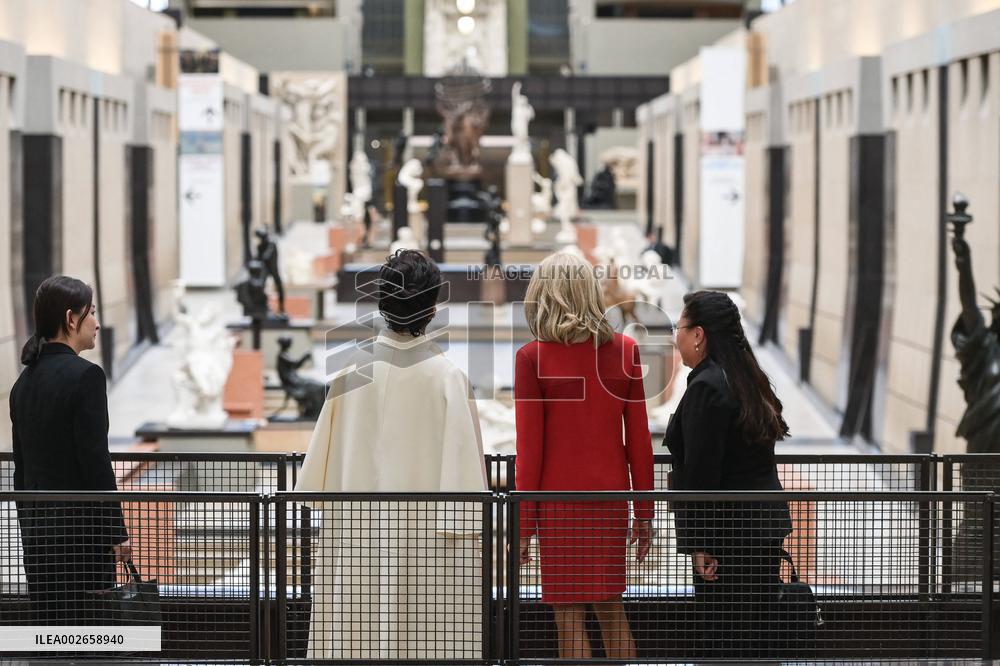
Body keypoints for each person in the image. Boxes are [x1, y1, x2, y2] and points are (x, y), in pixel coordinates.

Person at [295, 249, 488, 660]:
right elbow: (470, 490)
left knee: (355, 632)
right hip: (430, 546)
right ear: (433, 309)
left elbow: (315, 476)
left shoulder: (351, 371)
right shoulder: (448, 379)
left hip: (355, 539)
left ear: (383, 305)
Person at [515, 251, 654, 660]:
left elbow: (530, 452)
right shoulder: (626, 350)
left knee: (568, 615)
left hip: (558, 505)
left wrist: (524, 526)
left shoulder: (532, 358)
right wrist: (644, 514)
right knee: (612, 609)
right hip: (611, 501)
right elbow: (639, 443)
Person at [664, 290, 792, 659]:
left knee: (725, 638)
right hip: (762, 528)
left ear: (699, 335)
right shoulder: (747, 379)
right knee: (758, 637)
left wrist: (700, 544)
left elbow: (703, 472)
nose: (677, 337)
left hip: (727, 537)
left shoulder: (707, 386)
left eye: (680, 327)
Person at [10, 276, 131, 626]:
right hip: (82, 537)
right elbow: (96, 463)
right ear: (70, 319)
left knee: (51, 632)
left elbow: (22, 469)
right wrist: (117, 532)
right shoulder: (86, 377)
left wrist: (29, 527)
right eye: (90, 313)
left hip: (38, 537)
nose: (95, 323)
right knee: (90, 634)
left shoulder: (23, 384)